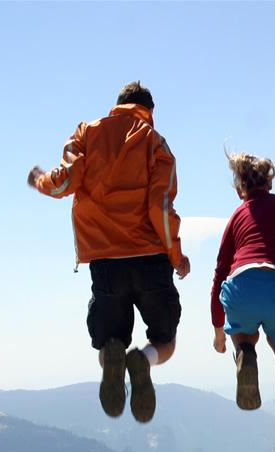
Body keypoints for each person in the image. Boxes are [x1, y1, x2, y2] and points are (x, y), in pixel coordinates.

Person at [27, 81, 190, 424]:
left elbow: (64, 182)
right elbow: (160, 207)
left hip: (104, 263)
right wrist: (177, 257)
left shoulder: (87, 133)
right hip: (151, 261)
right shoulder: (156, 143)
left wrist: (40, 179)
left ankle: (114, 356)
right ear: (149, 111)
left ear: (117, 105)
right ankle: (144, 360)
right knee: (165, 339)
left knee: (107, 344)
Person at [211, 153, 275, 419]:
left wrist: (218, 327)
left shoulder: (238, 215)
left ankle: (244, 352)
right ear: (270, 181)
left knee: (244, 332)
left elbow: (221, 271)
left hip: (243, 285)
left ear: (239, 187)